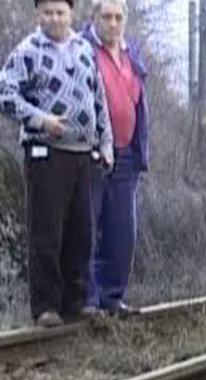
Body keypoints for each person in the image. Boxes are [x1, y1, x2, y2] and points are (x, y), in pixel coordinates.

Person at [0, 0, 113, 328]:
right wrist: (40, 119)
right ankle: (46, 305)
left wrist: (105, 142)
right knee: (47, 232)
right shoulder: (28, 50)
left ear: (71, 14)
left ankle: (74, 302)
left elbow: (99, 99)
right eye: (48, 12)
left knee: (81, 232)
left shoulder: (83, 49)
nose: (55, 18)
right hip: (45, 151)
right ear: (39, 14)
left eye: (60, 12)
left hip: (83, 153)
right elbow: (5, 93)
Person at [83, 0, 149, 316]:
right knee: (87, 226)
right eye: (106, 17)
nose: (112, 23)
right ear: (94, 18)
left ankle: (112, 297)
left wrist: (140, 152)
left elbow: (138, 103)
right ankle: (88, 299)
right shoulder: (81, 50)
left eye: (118, 17)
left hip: (126, 153)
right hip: (91, 153)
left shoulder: (131, 55)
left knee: (122, 230)